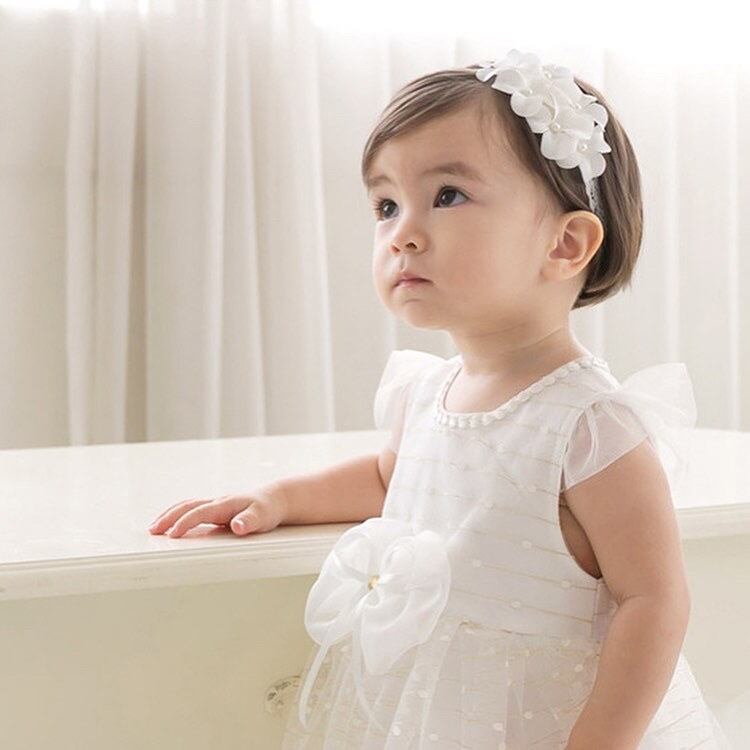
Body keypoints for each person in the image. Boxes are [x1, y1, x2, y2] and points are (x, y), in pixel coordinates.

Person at [148, 49, 733, 749]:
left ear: (565, 243)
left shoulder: (588, 424)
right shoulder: (426, 391)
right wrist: (278, 499)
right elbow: (387, 477)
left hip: (546, 722)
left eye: (447, 196)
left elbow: (655, 600)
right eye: (386, 206)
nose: (402, 233)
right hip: (440, 712)